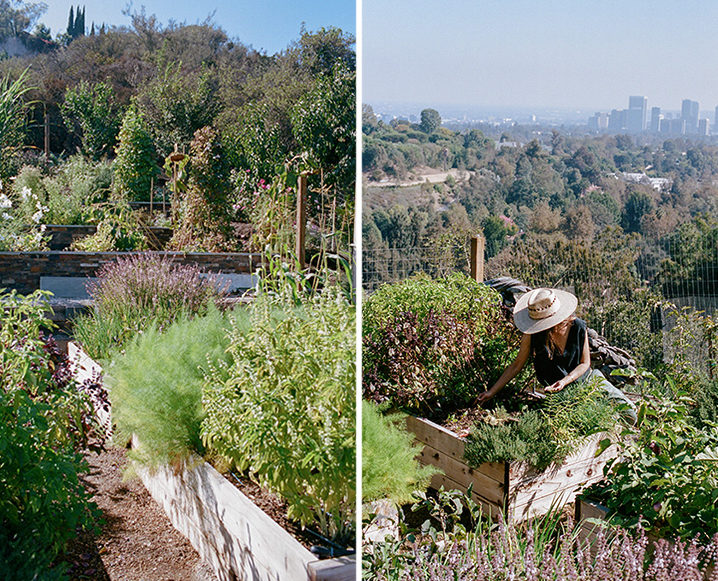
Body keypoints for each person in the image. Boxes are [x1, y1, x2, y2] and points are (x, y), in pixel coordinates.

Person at [475, 287, 637, 422]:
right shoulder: (533, 334)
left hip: (588, 380)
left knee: (629, 415)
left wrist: (565, 380)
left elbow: (584, 363)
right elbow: (517, 364)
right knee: (584, 421)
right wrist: (492, 391)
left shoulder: (578, 327)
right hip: (560, 394)